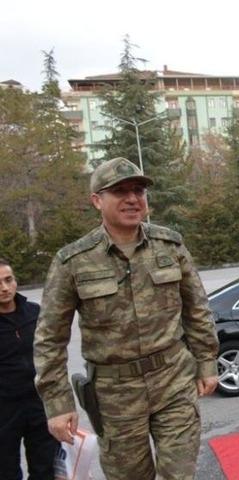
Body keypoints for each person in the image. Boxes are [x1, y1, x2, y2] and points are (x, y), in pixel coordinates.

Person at [33, 157, 220, 480]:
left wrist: (207, 361)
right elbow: (50, 338)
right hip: (115, 396)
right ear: (97, 200)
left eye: (138, 191)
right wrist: (58, 404)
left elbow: (197, 309)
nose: (133, 199)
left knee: (180, 475)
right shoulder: (73, 261)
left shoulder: (170, 245)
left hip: (173, 381)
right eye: (120, 191)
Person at [0, 259, 59, 480]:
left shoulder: (34, 312)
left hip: (39, 404)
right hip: (4, 409)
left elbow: (53, 355)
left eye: (8, 280)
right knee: (5, 471)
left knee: (45, 468)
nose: (5, 288)